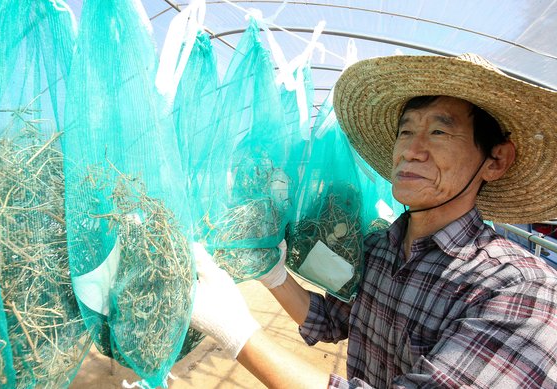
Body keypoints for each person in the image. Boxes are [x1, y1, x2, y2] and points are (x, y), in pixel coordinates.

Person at [190, 53, 557, 388]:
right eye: (406, 131)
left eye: (439, 132)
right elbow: (331, 319)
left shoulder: (522, 289)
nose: (411, 151)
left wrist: (238, 333)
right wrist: (274, 274)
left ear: (495, 160)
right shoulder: (379, 248)